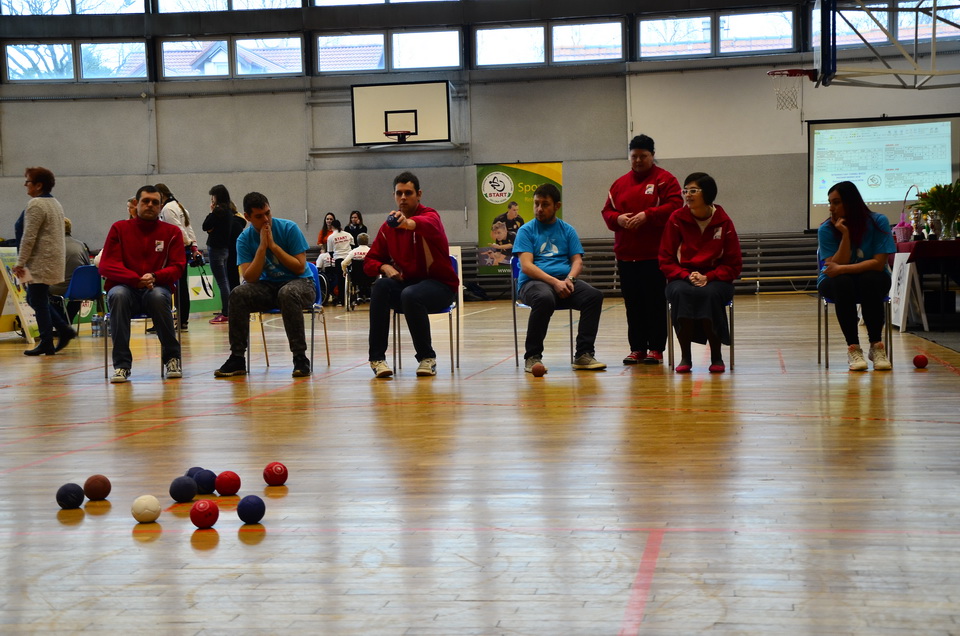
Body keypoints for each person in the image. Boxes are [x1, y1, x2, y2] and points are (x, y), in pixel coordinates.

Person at [365, 171, 458, 378]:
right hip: (408, 286)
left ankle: (427, 358)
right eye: (399, 193)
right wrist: (384, 267)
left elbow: (426, 224)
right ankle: (377, 359)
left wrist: (407, 224)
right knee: (381, 286)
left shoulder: (431, 216)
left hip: (440, 287)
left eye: (408, 193)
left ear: (419, 194)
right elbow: (370, 260)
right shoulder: (387, 228)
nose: (403, 197)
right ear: (394, 196)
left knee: (411, 294)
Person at [214, 192, 315, 379]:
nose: (266, 219)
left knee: (287, 293)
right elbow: (250, 277)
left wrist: (273, 246)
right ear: (247, 217)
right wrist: (262, 248)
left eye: (268, 213)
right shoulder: (244, 239)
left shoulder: (289, 228)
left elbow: (300, 267)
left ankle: (300, 357)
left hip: (302, 284)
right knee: (238, 294)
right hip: (269, 287)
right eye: (259, 216)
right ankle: (237, 358)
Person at [601, 134, 683, 366]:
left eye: (643, 156)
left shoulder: (666, 180)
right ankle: (637, 348)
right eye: (634, 156)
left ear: (652, 156)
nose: (638, 160)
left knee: (655, 303)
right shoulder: (619, 184)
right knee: (633, 304)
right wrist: (618, 219)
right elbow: (607, 212)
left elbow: (676, 206)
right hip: (626, 256)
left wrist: (648, 215)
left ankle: (656, 348)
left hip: (654, 255)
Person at [514, 183, 606, 374]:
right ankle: (533, 356)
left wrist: (569, 280)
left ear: (557, 206)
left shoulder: (567, 230)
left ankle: (584, 354)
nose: (539, 209)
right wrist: (555, 282)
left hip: (564, 282)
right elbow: (527, 266)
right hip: (533, 284)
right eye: (536, 204)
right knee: (544, 298)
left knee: (593, 296)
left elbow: (577, 261)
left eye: (545, 204)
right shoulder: (526, 231)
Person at [98, 185, 185, 383]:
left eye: (155, 202)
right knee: (117, 295)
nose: (150, 205)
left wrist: (154, 276)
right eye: (146, 201)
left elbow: (178, 266)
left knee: (158, 297)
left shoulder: (172, 232)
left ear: (161, 206)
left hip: (156, 287)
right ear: (136, 204)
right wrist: (134, 279)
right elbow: (107, 265)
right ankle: (122, 365)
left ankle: (172, 359)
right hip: (125, 287)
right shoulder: (119, 229)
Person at [659, 172, 742, 374]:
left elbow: (733, 264)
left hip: (716, 278)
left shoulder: (724, 222)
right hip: (682, 276)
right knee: (680, 293)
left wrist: (709, 277)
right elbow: (665, 259)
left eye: (693, 190)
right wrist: (685, 275)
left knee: (709, 294)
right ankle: (685, 356)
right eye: (686, 190)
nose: (687, 195)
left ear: (708, 193)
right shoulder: (676, 219)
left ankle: (716, 356)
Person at [817, 180, 896, 371]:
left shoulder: (878, 221)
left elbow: (878, 264)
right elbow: (835, 266)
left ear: (851, 202)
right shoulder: (826, 229)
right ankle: (853, 348)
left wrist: (842, 269)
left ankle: (876, 347)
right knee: (842, 283)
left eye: (836, 202)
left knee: (869, 279)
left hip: (872, 278)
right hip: (835, 281)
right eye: (830, 203)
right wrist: (845, 235)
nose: (831, 208)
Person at [12, 167, 75, 356]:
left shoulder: (36, 204)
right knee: (34, 299)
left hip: (40, 262)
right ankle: (63, 329)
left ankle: (47, 341)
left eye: (28, 181)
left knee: (37, 300)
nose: (25, 185)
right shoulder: (55, 203)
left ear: (38, 185)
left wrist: (20, 262)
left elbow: (29, 237)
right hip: (50, 260)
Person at [155, 183, 199, 331]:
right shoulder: (180, 207)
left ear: (162, 195)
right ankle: (182, 320)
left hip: (177, 251)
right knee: (182, 287)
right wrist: (194, 246)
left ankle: (176, 320)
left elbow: (179, 230)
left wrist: (189, 244)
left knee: (177, 287)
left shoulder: (167, 209)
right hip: (184, 249)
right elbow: (189, 228)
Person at [202, 184, 238, 324]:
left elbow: (205, 226)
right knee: (225, 281)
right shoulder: (229, 211)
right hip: (225, 249)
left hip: (216, 249)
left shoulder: (218, 211)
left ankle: (226, 312)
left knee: (222, 283)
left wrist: (211, 212)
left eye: (213, 196)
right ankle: (229, 310)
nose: (212, 199)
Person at [49, 217, 92, 325]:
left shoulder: (53, 245)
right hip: (81, 289)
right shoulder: (81, 245)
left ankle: (62, 324)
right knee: (77, 294)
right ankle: (66, 322)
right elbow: (88, 266)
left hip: (60, 287)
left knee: (42, 291)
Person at [326, 219, 354, 307]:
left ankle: (341, 300)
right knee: (351, 278)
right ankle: (352, 299)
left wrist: (335, 256)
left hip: (339, 259)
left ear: (332, 227)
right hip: (349, 258)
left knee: (340, 280)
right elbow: (353, 246)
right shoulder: (348, 234)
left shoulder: (331, 237)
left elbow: (330, 251)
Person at [342, 232, 372, 304]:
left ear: (357, 241)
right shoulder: (371, 251)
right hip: (370, 276)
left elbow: (343, 263)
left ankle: (360, 295)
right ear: (367, 241)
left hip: (356, 277)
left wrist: (344, 271)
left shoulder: (353, 252)